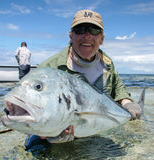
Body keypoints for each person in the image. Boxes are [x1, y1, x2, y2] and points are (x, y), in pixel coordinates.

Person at [25, 9, 142, 148]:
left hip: (97, 131)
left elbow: (118, 89)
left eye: (93, 31)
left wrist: (127, 102)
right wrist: (45, 133)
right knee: (33, 145)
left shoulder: (107, 64)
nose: (86, 36)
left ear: (102, 39)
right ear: (71, 36)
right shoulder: (49, 69)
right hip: (66, 132)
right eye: (79, 30)